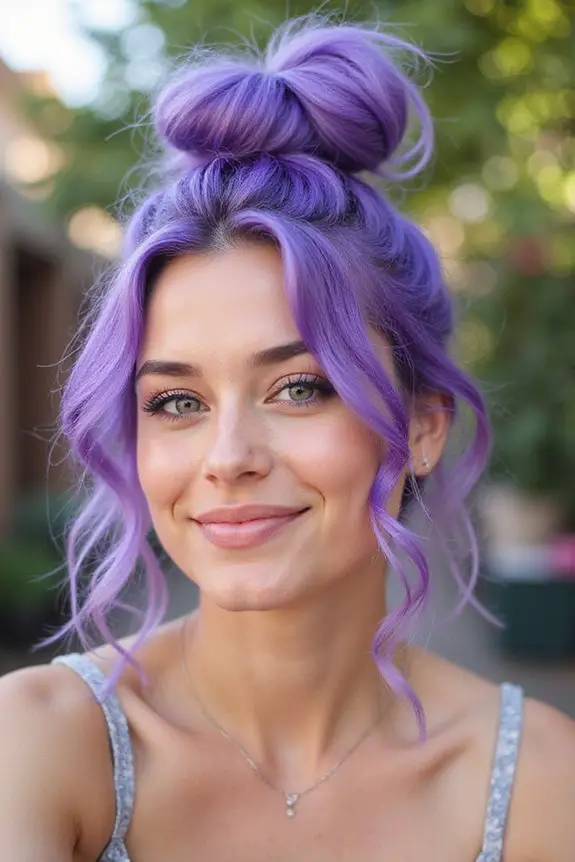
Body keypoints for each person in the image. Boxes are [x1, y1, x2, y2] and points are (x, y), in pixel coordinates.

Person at [0, 15, 573, 862]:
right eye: (176, 402)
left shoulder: (538, 783)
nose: (228, 456)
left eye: (298, 388)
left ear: (420, 427)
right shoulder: (39, 745)